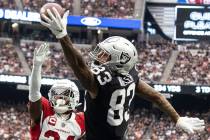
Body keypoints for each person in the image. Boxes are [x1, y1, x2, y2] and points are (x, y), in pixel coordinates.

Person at [40, 8, 205, 140]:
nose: (98, 57)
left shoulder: (102, 82)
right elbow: (156, 96)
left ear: (120, 61)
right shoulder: (130, 76)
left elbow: (78, 65)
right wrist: (177, 118)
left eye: (105, 55)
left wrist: (62, 36)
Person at [28, 43, 85, 140]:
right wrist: (36, 67)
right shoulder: (46, 109)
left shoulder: (82, 120)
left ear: (75, 99)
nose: (60, 100)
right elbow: (34, 93)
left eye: (64, 96)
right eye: (57, 96)